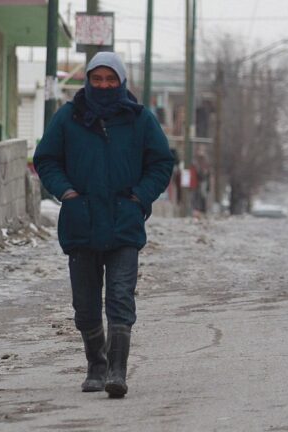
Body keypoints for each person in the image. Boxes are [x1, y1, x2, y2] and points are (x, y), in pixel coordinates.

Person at [33, 52, 173, 398]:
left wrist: (139, 197)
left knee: (121, 296)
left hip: (125, 223)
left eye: (111, 80)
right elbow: (46, 159)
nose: (104, 85)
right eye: (98, 79)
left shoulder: (141, 120)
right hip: (80, 224)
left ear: (122, 82)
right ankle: (96, 364)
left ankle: (117, 371)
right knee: (85, 304)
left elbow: (160, 163)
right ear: (88, 80)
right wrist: (66, 193)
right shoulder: (68, 117)